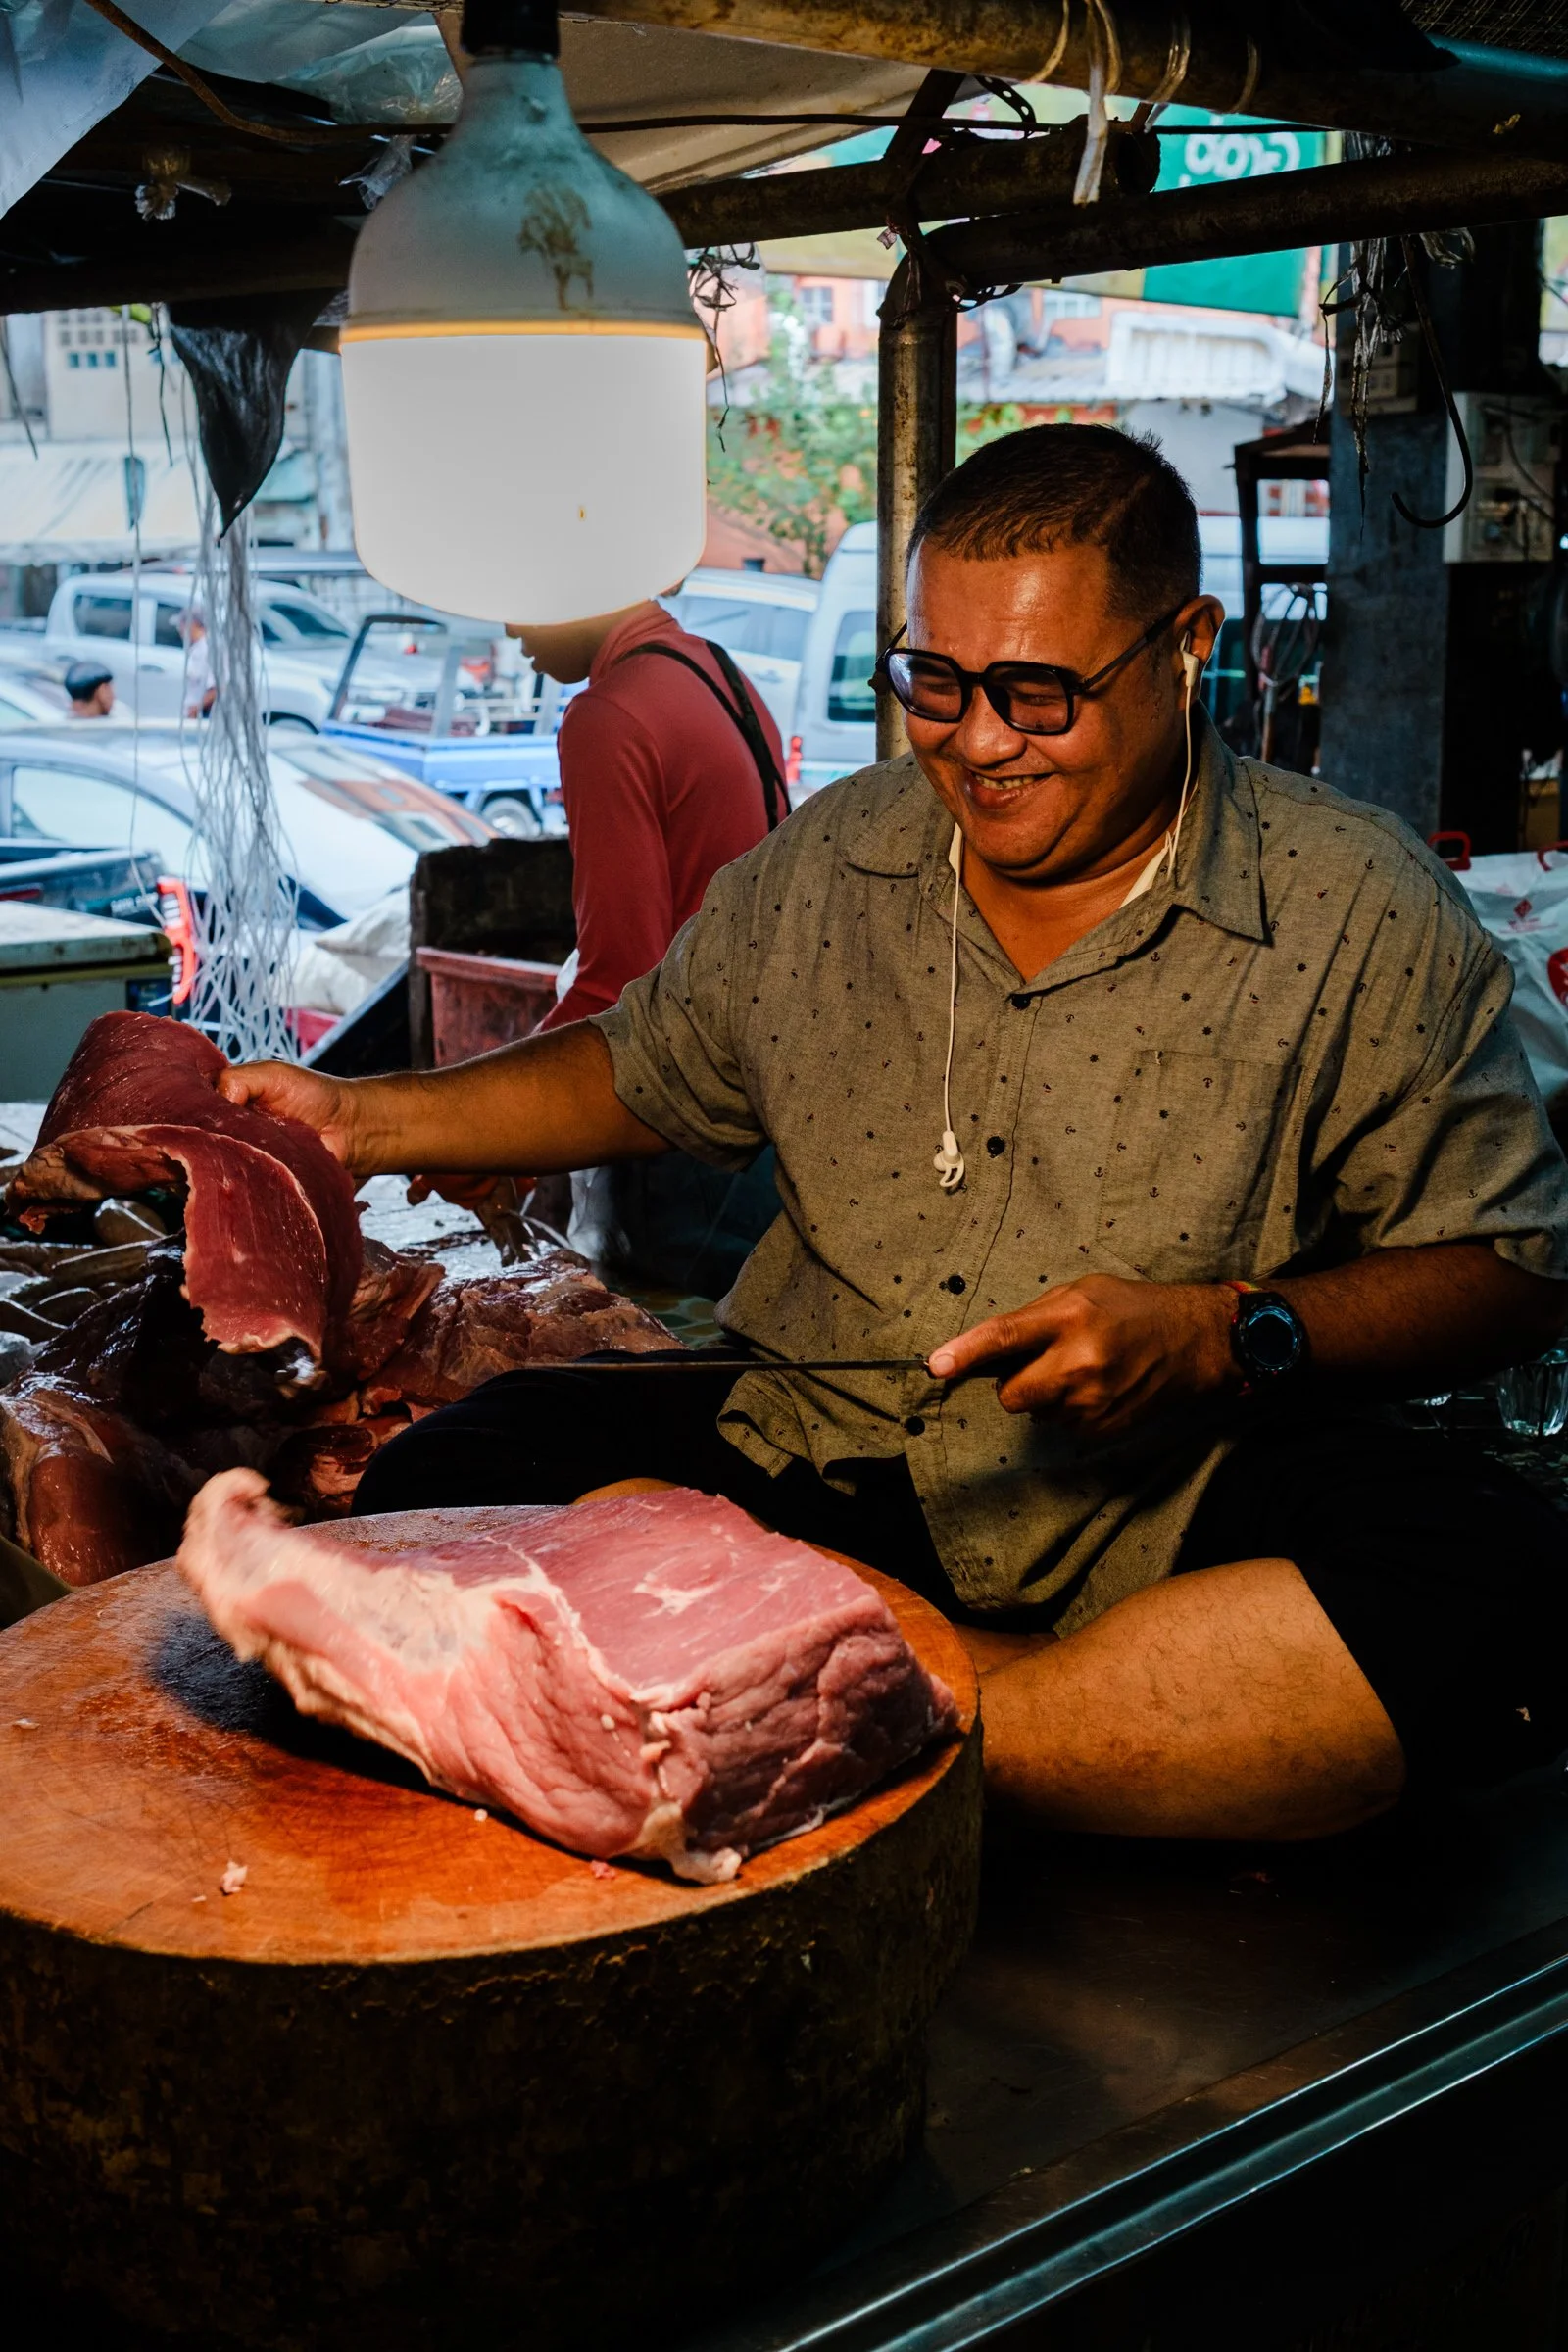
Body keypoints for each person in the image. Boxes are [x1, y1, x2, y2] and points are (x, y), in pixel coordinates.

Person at [224, 424, 1568, 1845]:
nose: (979, 742)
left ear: (1185, 644)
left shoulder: (1352, 906)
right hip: (805, 1439)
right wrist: (358, 1120)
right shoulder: (838, 857)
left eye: (1039, 693)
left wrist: (1232, 1333)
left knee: (1491, 1588)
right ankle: (1022, 1719)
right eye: (937, 680)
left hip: (1146, 1504)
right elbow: (648, 1064)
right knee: (438, 1486)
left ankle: (891, 1713)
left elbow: (1514, 1264)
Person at [504, 595, 787, 1295]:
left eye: (523, 597)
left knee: (654, 1361)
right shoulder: (716, 671)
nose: (511, 625)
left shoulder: (608, 715)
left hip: (681, 1125)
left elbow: (621, 984)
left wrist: (496, 1136)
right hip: (762, 1095)